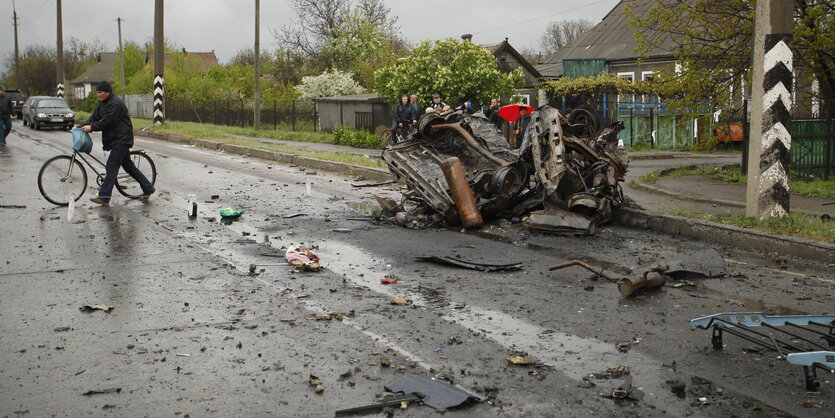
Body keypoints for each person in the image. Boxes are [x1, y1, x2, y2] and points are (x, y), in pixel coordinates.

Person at [82, 81, 155, 205]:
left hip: (122, 139)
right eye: (97, 93)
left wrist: (91, 127)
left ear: (107, 92)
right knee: (129, 167)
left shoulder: (116, 103)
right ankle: (148, 188)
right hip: (115, 139)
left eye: (100, 92)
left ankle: (104, 196)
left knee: (111, 165)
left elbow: (107, 121)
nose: (98, 95)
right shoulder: (102, 104)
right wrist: (80, 126)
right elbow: (93, 117)